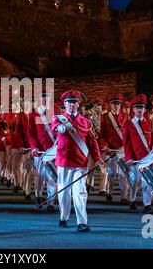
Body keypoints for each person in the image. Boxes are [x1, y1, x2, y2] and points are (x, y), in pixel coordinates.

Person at [51, 90, 103, 232]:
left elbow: (92, 142)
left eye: (75, 102)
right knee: (64, 191)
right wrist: (59, 128)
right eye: (69, 102)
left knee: (80, 191)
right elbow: (54, 127)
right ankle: (64, 217)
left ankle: (82, 222)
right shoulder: (59, 118)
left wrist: (97, 158)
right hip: (64, 161)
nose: (72, 104)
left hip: (81, 162)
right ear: (65, 104)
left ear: (78, 104)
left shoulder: (85, 121)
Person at [123, 94, 153, 214]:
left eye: (142, 107)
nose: (140, 110)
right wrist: (128, 158)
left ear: (145, 109)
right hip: (134, 158)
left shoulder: (150, 123)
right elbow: (126, 143)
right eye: (137, 107)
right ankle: (132, 200)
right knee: (134, 182)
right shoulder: (128, 124)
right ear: (133, 109)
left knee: (147, 182)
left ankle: (147, 205)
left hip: (147, 158)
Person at [27, 90, 56, 212]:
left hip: (52, 149)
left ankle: (50, 202)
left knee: (52, 177)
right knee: (39, 176)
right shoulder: (34, 114)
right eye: (42, 98)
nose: (44, 100)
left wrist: (57, 144)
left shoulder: (55, 113)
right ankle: (38, 196)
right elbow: (31, 133)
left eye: (47, 98)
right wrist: (34, 147)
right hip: (39, 151)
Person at [99, 94, 130, 204]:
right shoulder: (105, 117)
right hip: (110, 149)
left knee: (123, 174)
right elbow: (102, 135)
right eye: (114, 103)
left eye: (118, 103)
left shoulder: (126, 116)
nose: (116, 105)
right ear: (110, 104)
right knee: (111, 173)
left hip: (122, 150)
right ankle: (109, 192)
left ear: (120, 105)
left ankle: (124, 196)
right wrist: (105, 146)